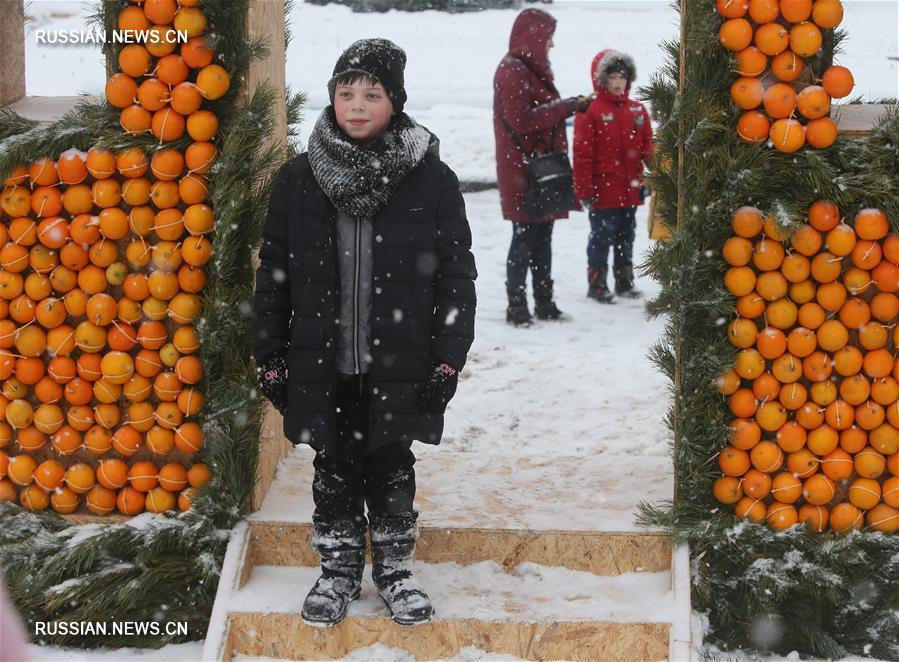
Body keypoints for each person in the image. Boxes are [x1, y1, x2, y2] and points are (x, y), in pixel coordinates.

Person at [252, 38, 477, 628]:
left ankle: (396, 569)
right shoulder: (299, 179)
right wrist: (271, 355)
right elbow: (273, 275)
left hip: (400, 361)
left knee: (391, 464)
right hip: (322, 360)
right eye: (345, 92)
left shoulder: (431, 181)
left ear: (394, 102)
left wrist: (447, 360)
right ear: (331, 98)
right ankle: (338, 569)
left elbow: (457, 277)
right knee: (333, 467)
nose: (356, 104)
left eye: (371, 93)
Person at [493, 8, 591, 327]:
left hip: (538, 170)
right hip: (523, 172)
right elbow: (522, 122)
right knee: (524, 238)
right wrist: (567, 107)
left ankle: (545, 303)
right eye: (549, 38)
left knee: (543, 237)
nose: (552, 45)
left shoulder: (531, 69)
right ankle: (517, 307)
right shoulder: (512, 71)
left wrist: (569, 105)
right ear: (534, 37)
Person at [573, 49, 654, 303]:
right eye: (613, 77)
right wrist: (584, 190)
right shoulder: (590, 111)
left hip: (629, 189)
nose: (618, 82)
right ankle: (597, 284)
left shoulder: (637, 110)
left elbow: (647, 147)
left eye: (622, 76)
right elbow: (582, 156)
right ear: (601, 80)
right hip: (603, 191)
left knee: (626, 236)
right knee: (600, 239)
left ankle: (624, 281)